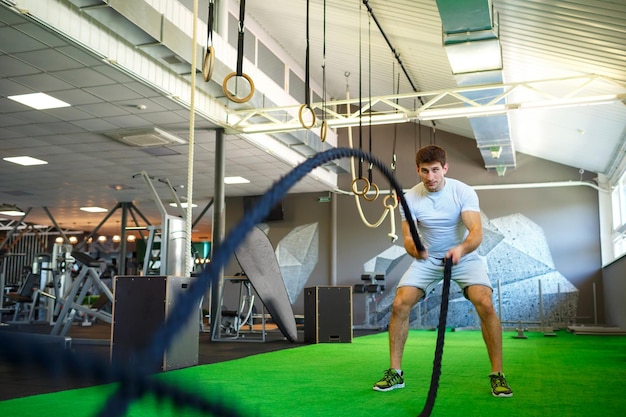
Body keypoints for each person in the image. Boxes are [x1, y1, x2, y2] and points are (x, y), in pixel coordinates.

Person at [372, 145, 513, 397]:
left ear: (445, 168)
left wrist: (460, 249)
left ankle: (498, 374)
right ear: (417, 170)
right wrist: (416, 251)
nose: (430, 177)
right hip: (427, 259)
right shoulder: (410, 198)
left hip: (463, 257)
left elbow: (476, 233)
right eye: (424, 171)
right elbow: (407, 239)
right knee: (399, 304)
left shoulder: (462, 192)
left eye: (435, 170)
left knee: (485, 302)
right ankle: (395, 373)